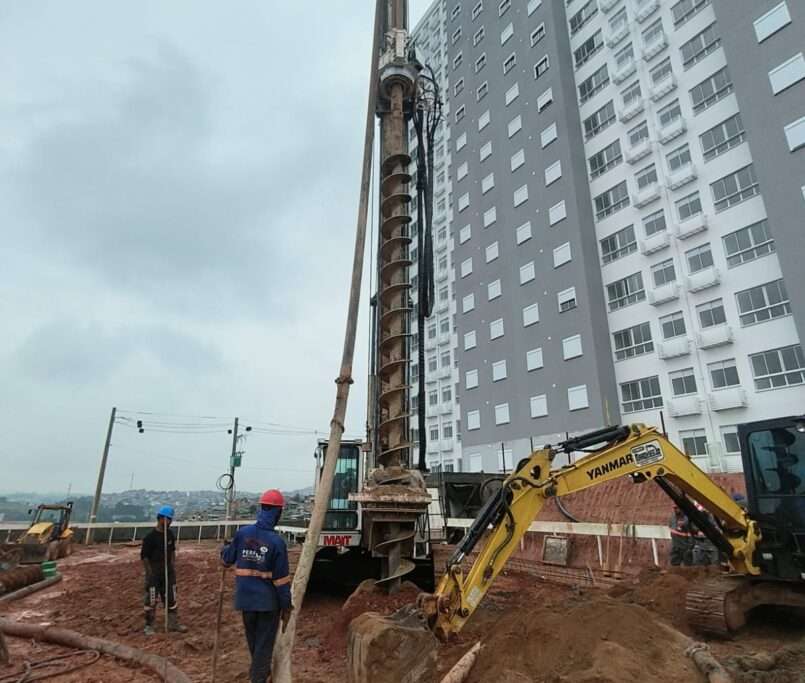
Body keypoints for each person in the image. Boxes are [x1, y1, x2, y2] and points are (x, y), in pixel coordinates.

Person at [221, 489, 293, 683]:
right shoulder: (277, 542)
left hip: (246, 602)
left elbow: (227, 559)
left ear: (262, 508)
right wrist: (287, 606)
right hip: (267, 605)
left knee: (255, 646)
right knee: (262, 648)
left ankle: (260, 674)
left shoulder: (242, 534)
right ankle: (259, 678)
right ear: (278, 512)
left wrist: (225, 549)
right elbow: (282, 581)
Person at [141, 505, 187, 635]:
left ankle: (173, 624)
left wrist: (172, 566)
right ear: (160, 519)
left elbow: (172, 552)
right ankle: (149, 625)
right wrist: (149, 574)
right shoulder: (150, 537)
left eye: (171, 520)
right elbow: (144, 557)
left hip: (168, 571)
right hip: (154, 572)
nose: (169, 522)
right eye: (167, 519)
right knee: (151, 599)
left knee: (171, 598)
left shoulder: (170, 535)